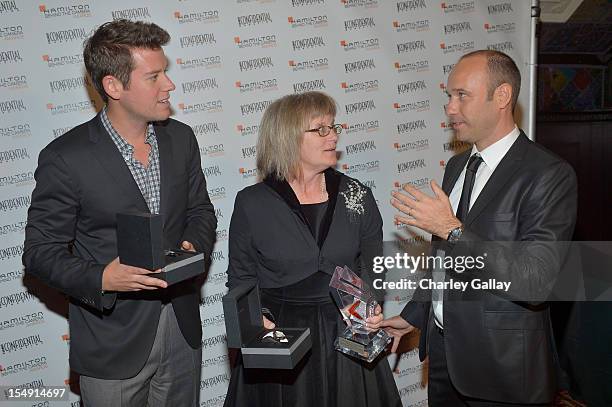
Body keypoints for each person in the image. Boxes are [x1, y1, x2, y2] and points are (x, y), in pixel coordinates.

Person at [23, 20, 217, 406]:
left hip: (182, 330)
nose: (169, 85)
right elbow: (39, 253)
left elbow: (201, 211)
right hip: (111, 343)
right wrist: (103, 278)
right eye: (154, 76)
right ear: (114, 86)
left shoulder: (181, 139)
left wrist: (189, 247)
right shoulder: (66, 158)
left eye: (166, 72)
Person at [370, 50, 577, 405]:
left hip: (504, 375)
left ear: (502, 96)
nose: (450, 108)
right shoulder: (457, 166)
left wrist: (452, 229)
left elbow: (536, 281)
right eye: (449, 96)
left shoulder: (548, 175)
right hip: (445, 363)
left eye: (461, 95)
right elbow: (447, 263)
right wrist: (416, 314)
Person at [224, 91, 401, 407]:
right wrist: (256, 320)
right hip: (282, 336)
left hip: (348, 335)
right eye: (320, 129)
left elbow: (374, 266)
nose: (332, 136)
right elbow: (241, 279)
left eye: (333, 127)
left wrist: (371, 308)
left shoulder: (357, 195)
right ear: (288, 137)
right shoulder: (252, 203)